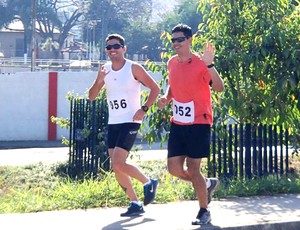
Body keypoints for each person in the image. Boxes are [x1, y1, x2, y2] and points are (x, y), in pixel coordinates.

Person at [157, 23, 224, 225]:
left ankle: (204, 210)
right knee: (173, 169)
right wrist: (165, 98)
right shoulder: (171, 62)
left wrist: (210, 65)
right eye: (173, 40)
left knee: (194, 169)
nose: (176, 43)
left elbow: (219, 88)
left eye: (180, 39)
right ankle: (206, 184)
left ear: (189, 40)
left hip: (199, 122)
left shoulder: (201, 63)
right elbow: (173, 86)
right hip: (179, 122)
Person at [88, 33, 160, 217]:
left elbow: (155, 88)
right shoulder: (105, 70)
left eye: (116, 46)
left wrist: (144, 108)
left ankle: (148, 181)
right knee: (116, 166)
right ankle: (135, 203)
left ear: (124, 48)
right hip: (114, 121)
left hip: (130, 120)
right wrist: (98, 80)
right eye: (109, 47)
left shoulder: (133, 68)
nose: (112, 50)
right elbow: (92, 96)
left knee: (118, 162)